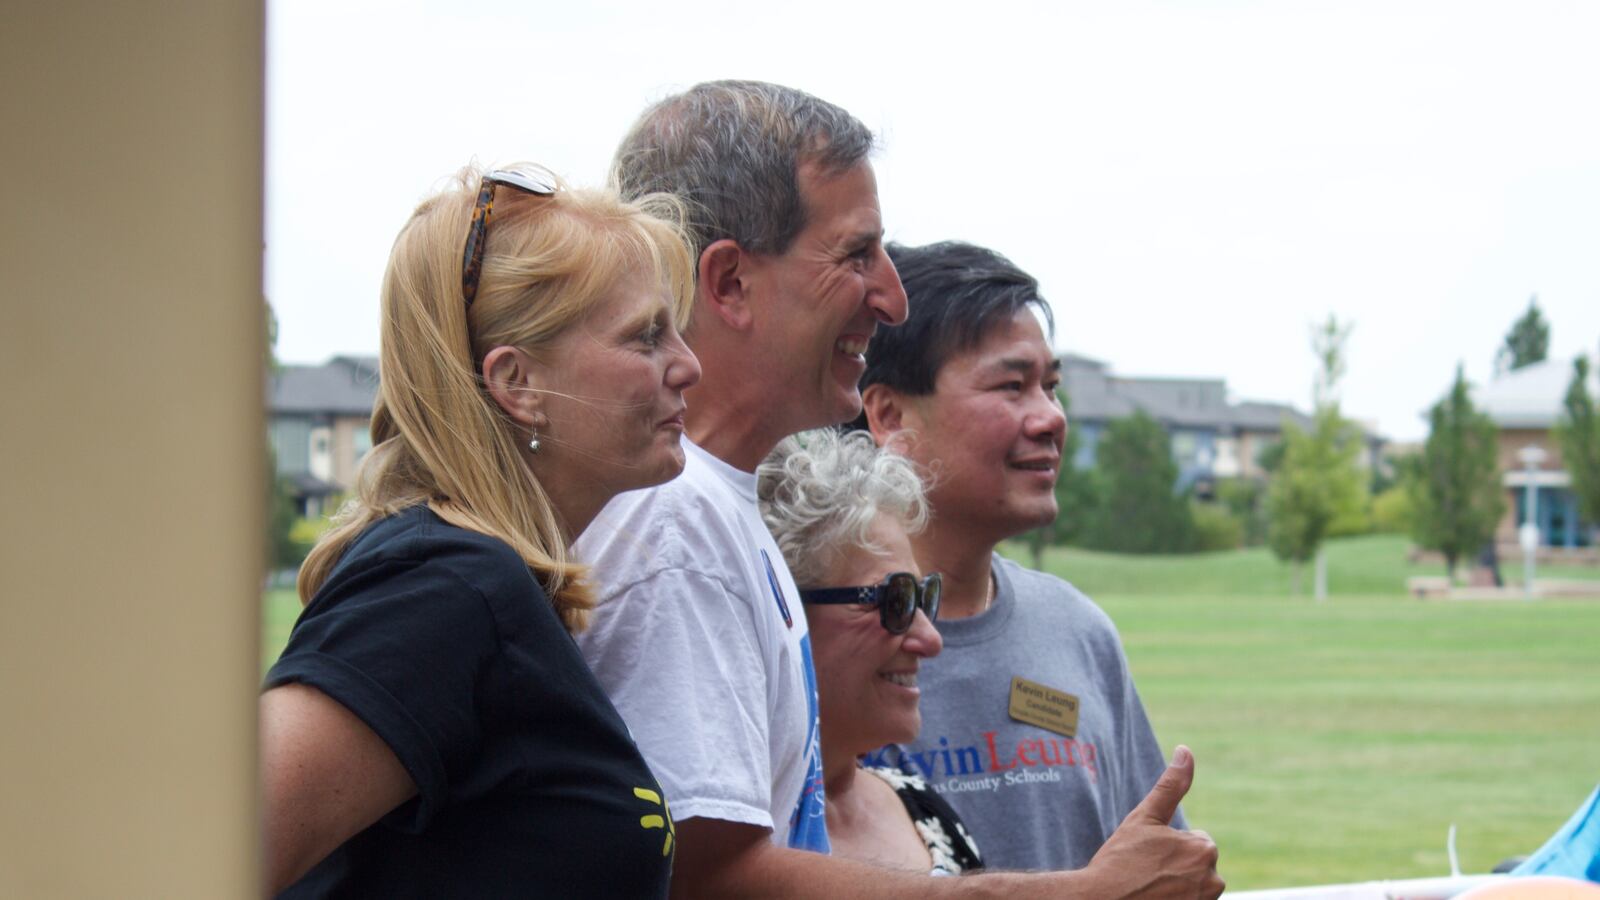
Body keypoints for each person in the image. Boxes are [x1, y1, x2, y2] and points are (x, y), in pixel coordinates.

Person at [577, 80, 1221, 898]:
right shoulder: (676, 526)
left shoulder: (712, 510)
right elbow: (709, 879)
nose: (891, 296)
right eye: (855, 255)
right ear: (731, 282)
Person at [259, 164, 702, 897]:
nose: (688, 365)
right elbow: (202, 855)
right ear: (517, 384)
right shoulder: (444, 587)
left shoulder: (483, 583)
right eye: (647, 336)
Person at [857, 239, 1188, 872]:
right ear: (890, 414)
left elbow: (1156, 867)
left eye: (1051, 387)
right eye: (1012, 386)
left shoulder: (1077, 629)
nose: (1050, 419)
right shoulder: (825, 636)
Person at [758, 429, 983, 876]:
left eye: (924, 598)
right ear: (783, 613)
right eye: (893, 600)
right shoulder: (723, 844)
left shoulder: (918, 804)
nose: (931, 640)